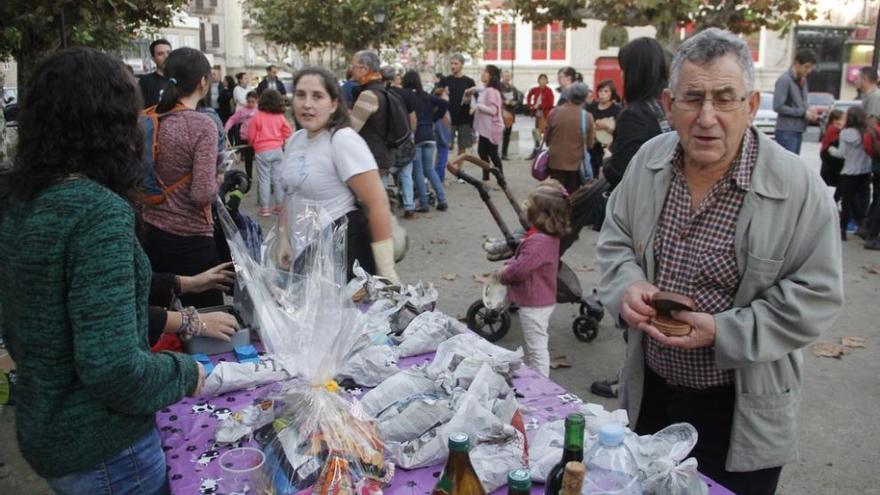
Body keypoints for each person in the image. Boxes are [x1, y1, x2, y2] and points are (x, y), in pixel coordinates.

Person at [597, 28, 843, 495]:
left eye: (725, 98)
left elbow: (818, 295)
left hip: (739, 408)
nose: (707, 117)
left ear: (751, 106)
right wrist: (626, 284)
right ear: (669, 105)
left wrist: (724, 331)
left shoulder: (798, 187)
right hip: (652, 393)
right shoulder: (648, 161)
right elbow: (616, 240)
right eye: (693, 98)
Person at [0, 47, 205, 494]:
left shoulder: (23, 200)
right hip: (105, 451)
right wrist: (186, 373)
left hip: (48, 431)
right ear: (111, 124)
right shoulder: (96, 212)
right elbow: (112, 368)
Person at [278, 67, 399, 283]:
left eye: (317, 96)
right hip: (304, 258)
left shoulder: (343, 140)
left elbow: (377, 203)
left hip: (342, 259)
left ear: (333, 104)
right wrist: (283, 238)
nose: (307, 104)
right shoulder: (295, 141)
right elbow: (290, 193)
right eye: (300, 95)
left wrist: (387, 272)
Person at [141, 48, 222, 309]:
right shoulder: (202, 125)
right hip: (191, 240)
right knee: (204, 321)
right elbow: (201, 194)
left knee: (164, 317)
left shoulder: (151, 119)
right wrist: (218, 181)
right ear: (203, 81)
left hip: (151, 231)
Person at [499, 179, 570, 377]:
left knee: (537, 347)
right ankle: (538, 377)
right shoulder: (548, 236)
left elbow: (519, 270)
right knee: (537, 344)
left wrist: (503, 272)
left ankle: (541, 384)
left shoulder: (538, 242)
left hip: (534, 304)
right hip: (542, 298)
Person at [601, 37, 672, 189]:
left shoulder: (634, 115)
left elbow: (621, 172)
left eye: (623, 69)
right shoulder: (672, 105)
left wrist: (607, 163)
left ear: (634, 72)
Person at [402, 70, 449, 212]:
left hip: (416, 136)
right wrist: (434, 118)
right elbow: (444, 104)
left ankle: (423, 203)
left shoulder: (406, 96)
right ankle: (442, 200)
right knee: (429, 169)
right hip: (429, 135)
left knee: (417, 171)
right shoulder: (426, 96)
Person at [242, 89, 293, 216]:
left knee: (264, 179)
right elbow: (288, 131)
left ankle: (265, 208)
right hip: (277, 150)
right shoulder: (280, 117)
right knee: (277, 178)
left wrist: (253, 144)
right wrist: (280, 139)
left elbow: (251, 135)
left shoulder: (257, 117)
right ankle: (279, 206)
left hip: (262, 151)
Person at [828, 106, 872, 241]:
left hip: (849, 172)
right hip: (865, 171)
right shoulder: (867, 132)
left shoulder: (845, 133)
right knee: (863, 200)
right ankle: (863, 224)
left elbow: (841, 154)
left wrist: (830, 150)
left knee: (846, 202)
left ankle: (842, 231)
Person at [350, 51, 395, 174]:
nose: (351, 70)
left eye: (353, 67)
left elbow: (351, 129)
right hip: (382, 155)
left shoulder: (368, 95)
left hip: (371, 158)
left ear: (364, 69)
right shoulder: (381, 90)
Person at [545, 82, 595, 194]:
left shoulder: (554, 113)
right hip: (576, 166)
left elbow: (547, 139)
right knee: (572, 197)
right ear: (584, 97)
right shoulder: (587, 117)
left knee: (555, 195)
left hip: (555, 163)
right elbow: (590, 144)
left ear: (569, 95)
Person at [772, 48, 818, 154]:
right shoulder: (784, 80)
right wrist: (802, 112)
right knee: (788, 167)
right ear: (797, 63)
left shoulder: (803, 80)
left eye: (811, 67)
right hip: (786, 131)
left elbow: (803, 102)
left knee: (795, 166)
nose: (809, 71)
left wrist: (809, 110)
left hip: (798, 129)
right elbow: (778, 106)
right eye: (806, 67)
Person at [466, 64, 504, 182]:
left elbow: (493, 111)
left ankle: (500, 179)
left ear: (491, 76)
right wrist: (472, 91)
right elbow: (481, 89)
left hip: (492, 129)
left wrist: (478, 106)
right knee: (483, 153)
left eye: (485, 72)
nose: (482, 73)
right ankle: (487, 179)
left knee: (492, 155)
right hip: (485, 129)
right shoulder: (487, 90)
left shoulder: (492, 92)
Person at [437, 54, 476, 155]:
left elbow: (475, 100)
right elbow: (435, 93)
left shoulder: (469, 81)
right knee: (444, 145)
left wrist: (470, 99)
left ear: (462, 65)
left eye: (456, 64)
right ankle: (441, 168)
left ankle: (459, 169)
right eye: (452, 64)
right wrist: (441, 91)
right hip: (449, 119)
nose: (453, 66)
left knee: (463, 147)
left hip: (464, 119)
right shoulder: (445, 80)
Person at [586, 79, 623, 178]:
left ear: (612, 93)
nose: (602, 94)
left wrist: (606, 127)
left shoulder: (617, 110)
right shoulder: (591, 107)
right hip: (592, 149)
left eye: (606, 91)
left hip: (609, 150)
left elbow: (621, 130)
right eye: (600, 91)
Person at [224, 91, 259, 179]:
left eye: (253, 102)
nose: (250, 104)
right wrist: (226, 129)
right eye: (249, 102)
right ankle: (249, 177)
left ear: (257, 101)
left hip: (257, 139)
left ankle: (262, 178)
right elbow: (232, 119)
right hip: (245, 138)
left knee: (260, 159)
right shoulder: (242, 110)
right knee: (248, 159)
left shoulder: (259, 110)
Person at [526, 74, 555, 159]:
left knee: (547, 134)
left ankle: (549, 153)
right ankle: (535, 152)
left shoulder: (549, 91)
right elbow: (529, 95)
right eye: (541, 79)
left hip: (546, 115)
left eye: (544, 79)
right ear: (538, 81)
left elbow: (550, 103)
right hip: (538, 115)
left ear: (547, 81)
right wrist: (530, 105)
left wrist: (540, 106)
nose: (542, 81)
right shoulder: (535, 89)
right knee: (536, 134)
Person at [138, 38, 172, 108]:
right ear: (153, 59)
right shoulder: (145, 81)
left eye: (168, 52)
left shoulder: (181, 79)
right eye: (160, 54)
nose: (166, 56)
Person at [819, 109, 845, 198]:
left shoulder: (830, 128)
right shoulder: (834, 129)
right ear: (835, 120)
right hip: (830, 157)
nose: (845, 121)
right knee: (839, 179)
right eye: (843, 119)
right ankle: (835, 199)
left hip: (828, 155)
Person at [432, 73, 452, 183]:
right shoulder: (442, 95)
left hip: (440, 124)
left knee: (441, 152)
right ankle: (439, 178)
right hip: (443, 124)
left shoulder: (436, 93)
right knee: (443, 151)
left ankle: (440, 176)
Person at [500, 70, 521, 160]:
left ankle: (504, 153)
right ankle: (494, 152)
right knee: (497, 133)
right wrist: (504, 101)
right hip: (500, 113)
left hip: (510, 114)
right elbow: (496, 98)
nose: (507, 77)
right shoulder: (498, 87)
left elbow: (518, 100)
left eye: (508, 76)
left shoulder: (513, 88)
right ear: (502, 76)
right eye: (505, 76)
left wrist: (514, 103)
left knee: (507, 134)